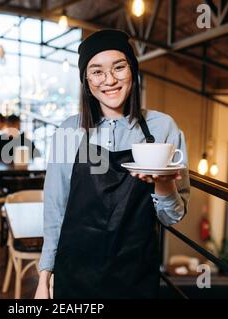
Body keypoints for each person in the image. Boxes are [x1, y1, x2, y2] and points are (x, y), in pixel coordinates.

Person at [34, 29, 190, 299]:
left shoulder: (162, 127)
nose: (109, 80)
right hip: (76, 271)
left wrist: (163, 183)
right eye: (96, 71)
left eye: (119, 67)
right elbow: (55, 207)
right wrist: (44, 276)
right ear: (86, 79)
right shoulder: (69, 131)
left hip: (136, 272)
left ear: (133, 70)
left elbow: (172, 217)